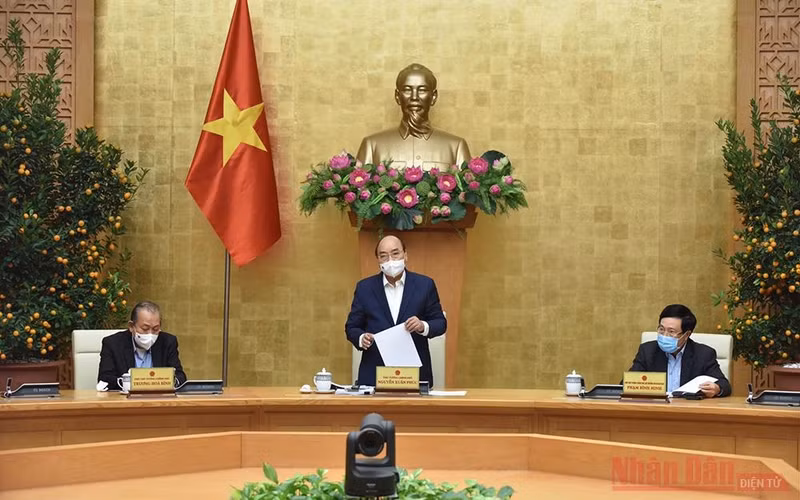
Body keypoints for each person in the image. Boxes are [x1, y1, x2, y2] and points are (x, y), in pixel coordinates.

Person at [345, 235, 447, 387]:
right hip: (374, 376)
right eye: (383, 256)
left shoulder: (425, 285)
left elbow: (440, 323)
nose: (390, 260)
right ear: (378, 260)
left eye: (395, 253)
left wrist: (422, 326)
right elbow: (352, 327)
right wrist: (361, 338)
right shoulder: (364, 288)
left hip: (414, 376)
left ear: (405, 255)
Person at [356, 63, 471, 171]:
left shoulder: (456, 147)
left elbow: (468, 189)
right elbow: (359, 189)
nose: (414, 97)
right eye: (407, 90)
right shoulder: (372, 145)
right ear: (397, 96)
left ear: (434, 97)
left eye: (422, 90)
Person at [628, 304, 731, 397]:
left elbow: (724, 385)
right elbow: (627, 384)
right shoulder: (647, 351)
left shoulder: (703, 354)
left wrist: (717, 389)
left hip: (688, 412)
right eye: (661, 329)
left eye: (671, 331)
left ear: (686, 335)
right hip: (655, 410)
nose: (665, 336)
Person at [97, 301, 187, 390]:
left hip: (159, 400)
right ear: (131, 326)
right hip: (125, 401)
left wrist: (167, 382)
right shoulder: (113, 343)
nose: (150, 334)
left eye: (155, 329)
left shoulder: (168, 342)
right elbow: (105, 379)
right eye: (145, 329)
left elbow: (180, 377)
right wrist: (132, 382)